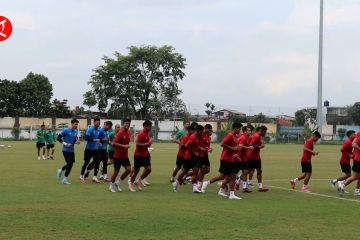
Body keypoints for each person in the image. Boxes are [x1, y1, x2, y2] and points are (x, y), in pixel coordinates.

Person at [202, 122, 243, 200]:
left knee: (230, 176)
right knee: (226, 176)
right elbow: (222, 144)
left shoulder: (234, 136)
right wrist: (232, 148)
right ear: (236, 128)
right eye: (239, 129)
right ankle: (206, 183)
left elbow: (233, 149)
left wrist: (236, 154)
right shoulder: (230, 135)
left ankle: (229, 193)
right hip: (225, 159)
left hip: (230, 159)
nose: (240, 130)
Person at [172, 124, 204, 193]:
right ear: (198, 131)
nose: (201, 133)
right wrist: (193, 152)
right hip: (188, 156)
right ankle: (175, 182)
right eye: (201, 132)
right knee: (185, 172)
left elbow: (196, 146)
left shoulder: (197, 136)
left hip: (194, 157)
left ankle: (194, 187)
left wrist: (201, 149)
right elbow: (187, 145)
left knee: (196, 170)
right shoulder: (192, 137)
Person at [129, 120, 153, 192]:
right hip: (138, 155)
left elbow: (147, 145)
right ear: (145, 126)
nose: (150, 127)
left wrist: (150, 143)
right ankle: (131, 185)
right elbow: (138, 144)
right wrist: (148, 143)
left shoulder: (147, 133)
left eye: (151, 126)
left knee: (148, 169)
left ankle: (139, 180)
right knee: (136, 171)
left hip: (144, 155)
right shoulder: (141, 133)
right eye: (149, 126)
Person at [109, 119, 132, 192]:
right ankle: (111, 186)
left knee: (128, 170)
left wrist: (127, 146)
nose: (127, 125)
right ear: (123, 124)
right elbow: (114, 143)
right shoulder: (120, 133)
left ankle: (118, 182)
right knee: (116, 172)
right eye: (126, 123)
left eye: (128, 123)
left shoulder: (129, 133)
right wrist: (124, 146)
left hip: (125, 156)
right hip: (118, 156)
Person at [56, 118, 80, 184]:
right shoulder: (66, 130)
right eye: (75, 124)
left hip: (72, 151)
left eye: (77, 124)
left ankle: (64, 178)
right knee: (69, 164)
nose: (76, 125)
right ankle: (60, 171)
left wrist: (77, 142)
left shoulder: (75, 132)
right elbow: (58, 138)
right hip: (65, 150)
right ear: (72, 124)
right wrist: (65, 144)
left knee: (71, 165)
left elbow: (73, 141)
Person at [247, 125, 269, 192]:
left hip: (256, 157)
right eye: (265, 132)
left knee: (259, 171)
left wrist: (260, 145)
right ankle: (238, 179)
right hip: (252, 157)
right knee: (247, 171)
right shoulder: (257, 136)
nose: (265, 133)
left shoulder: (258, 136)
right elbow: (250, 144)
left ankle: (260, 187)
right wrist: (260, 146)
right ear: (261, 131)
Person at [81, 118, 101, 183]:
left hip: (96, 150)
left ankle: (95, 177)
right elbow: (86, 137)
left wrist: (98, 143)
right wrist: (94, 140)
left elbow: (97, 139)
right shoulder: (90, 129)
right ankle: (81, 175)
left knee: (97, 162)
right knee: (86, 163)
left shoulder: (98, 130)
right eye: (97, 122)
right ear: (94, 122)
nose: (98, 124)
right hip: (88, 149)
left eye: (99, 122)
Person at [235, 125, 255, 193]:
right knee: (232, 174)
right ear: (245, 131)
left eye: (250, 130)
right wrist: (249, 148)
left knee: (245, 172)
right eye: (248, 130)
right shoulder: (243, 137)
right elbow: (240, 146)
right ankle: (224, 186)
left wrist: (248, 147)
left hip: (244, 158)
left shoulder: (247, 137)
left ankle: (244, 188)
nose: (250, 131)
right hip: (238, 158)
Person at [197, 124, 213, 190]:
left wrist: (209, 149)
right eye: (209, 130)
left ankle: (194, 178)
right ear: (206, 128)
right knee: (203, 169)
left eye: (211, 130)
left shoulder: (208, 136)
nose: (210, 131)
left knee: (207, 170)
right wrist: (201, 148)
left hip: (205, 154)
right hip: (200, 154)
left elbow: (206, 146)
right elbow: (196, 144)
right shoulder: (201, 134)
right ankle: (199, 185)